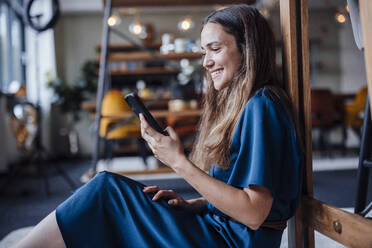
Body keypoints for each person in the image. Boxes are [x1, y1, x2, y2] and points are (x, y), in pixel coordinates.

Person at [13, 4, 303, 248]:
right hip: (218, 229)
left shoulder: (262, 106)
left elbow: (254, 213)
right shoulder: (250, 104)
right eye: (203, 52)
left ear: (248, 49)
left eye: (214, 49)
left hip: (227, 241)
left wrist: (178, 162)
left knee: (105, 190)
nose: (206, 62)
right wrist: (196, 203)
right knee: (110, 194)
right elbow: (238, 193)